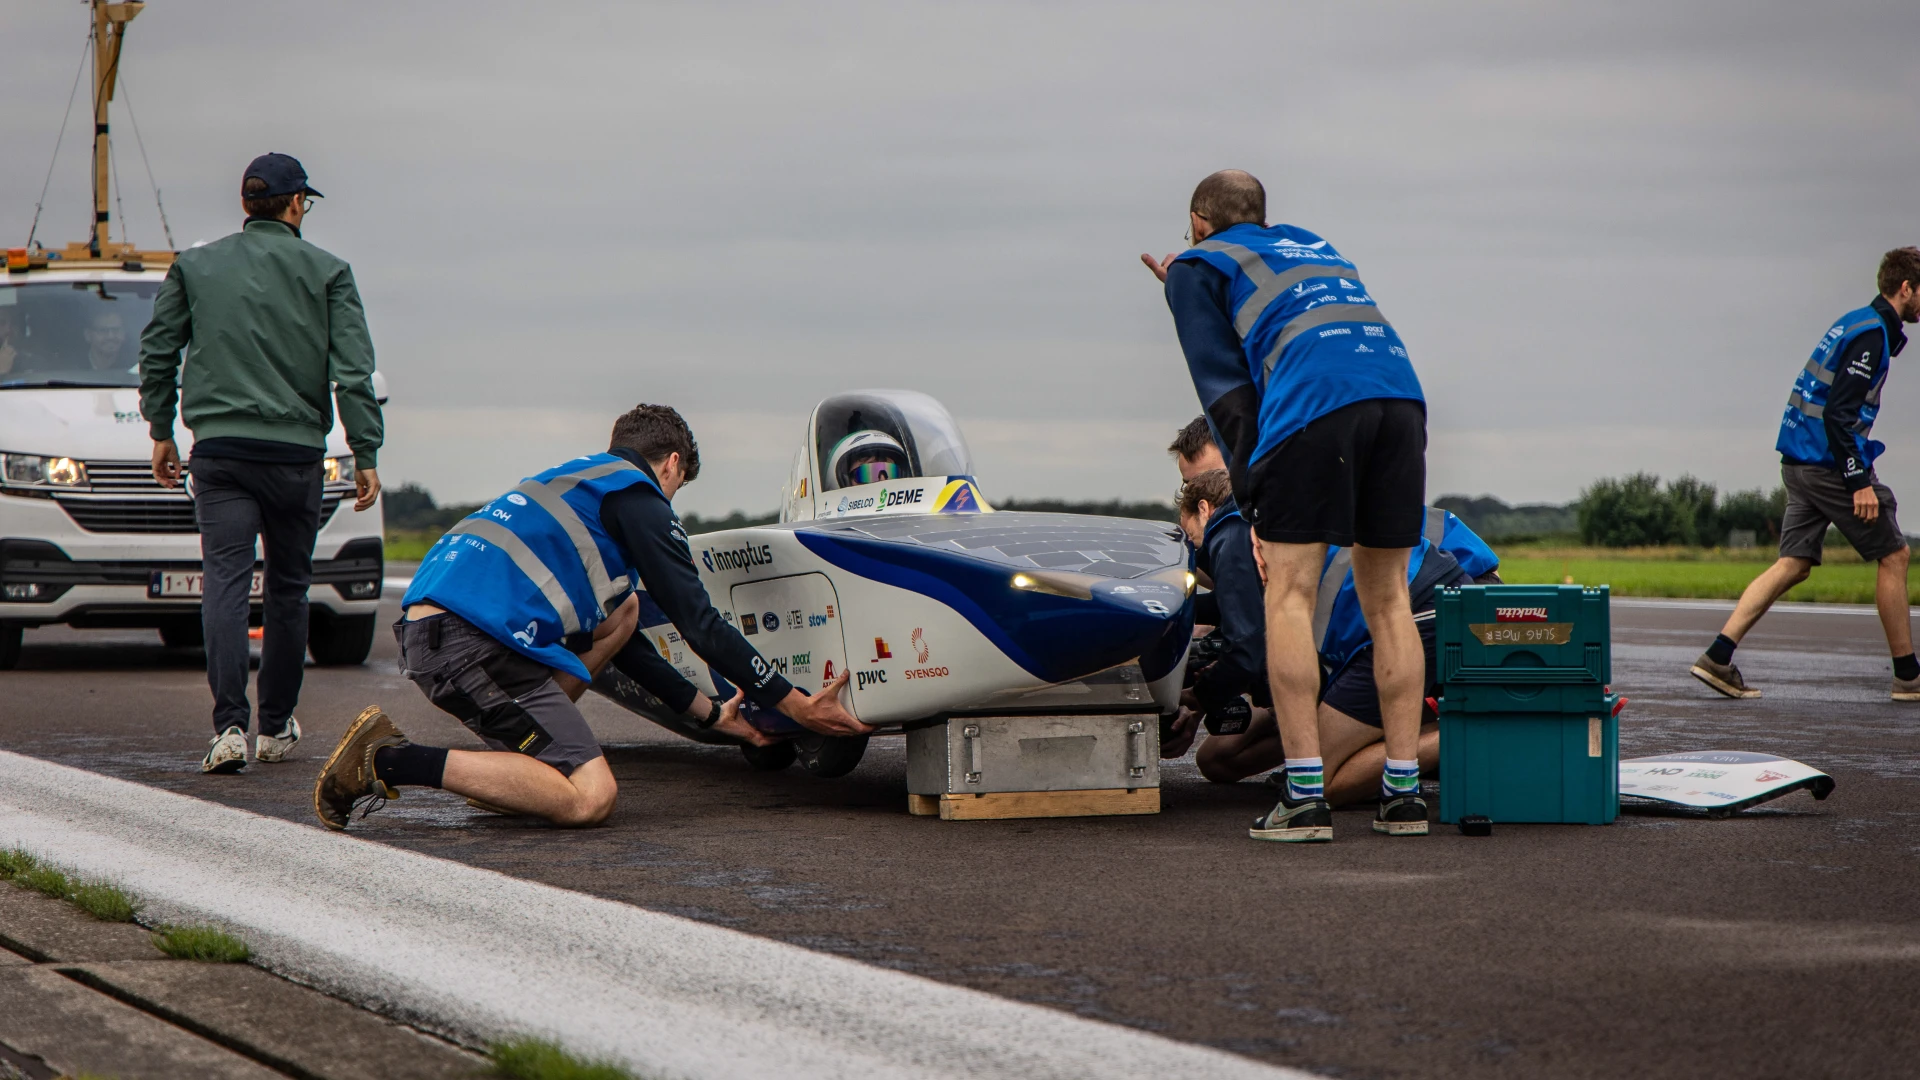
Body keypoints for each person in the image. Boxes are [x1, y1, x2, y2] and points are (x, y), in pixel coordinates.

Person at [311, 404, 871, 830]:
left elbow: (622, 642)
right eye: (676, 487)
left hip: (444, 631)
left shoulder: (577, 480)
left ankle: (517, 772)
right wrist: (794, 703)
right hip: (468, 644)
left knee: (623, 609)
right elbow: (699, 623)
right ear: (671, 464)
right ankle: (386, 759)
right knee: (590, 797)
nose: (670, 501)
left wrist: (709, 717)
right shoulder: (640, 497)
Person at [1144, 170, 1429, 842]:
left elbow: (1228, 397)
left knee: (1289, 597)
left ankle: (1303, 797)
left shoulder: (1196, 263)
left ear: (1199, 221)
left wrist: (1251, 505)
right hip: (1400, 400)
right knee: (1388, 598)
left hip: (1317, 410)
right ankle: (1403, 795)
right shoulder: (1312, 246)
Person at [139, 153, 383, 775]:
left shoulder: (194, 265)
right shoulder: (330, 271)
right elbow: (351, 372)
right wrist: (365, 451)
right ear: (296, 203)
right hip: (295, 454)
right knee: (287, 587)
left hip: (218, 452)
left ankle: (227, 727)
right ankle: (274, 726)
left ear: (247, 204)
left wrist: (161, 430)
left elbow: (159, 350)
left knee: (223, 581)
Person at [1168, 467, 1500, 806]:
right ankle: (1400, 739)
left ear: (1205, 509)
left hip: (1410, 616)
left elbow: (1246, 649)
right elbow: (1238, 607)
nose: (1195, 549)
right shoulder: (1274, 511)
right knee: (1220, 759)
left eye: (1189, 534)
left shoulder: (1228, 529)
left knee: (1316, 784)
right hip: (1429, 603)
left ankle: (1460, 734)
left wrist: (1197, 697)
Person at [1691, 249, 1920, 701]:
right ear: (1907, 288)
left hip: (1798, 460)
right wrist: (1858, 482)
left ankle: (1718, 657)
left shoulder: (1854, 322)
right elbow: (1838, 414)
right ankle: (1909, 676)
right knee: (1894, 556)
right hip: (1825, 463)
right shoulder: (1870, 335)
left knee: (1793, 564)